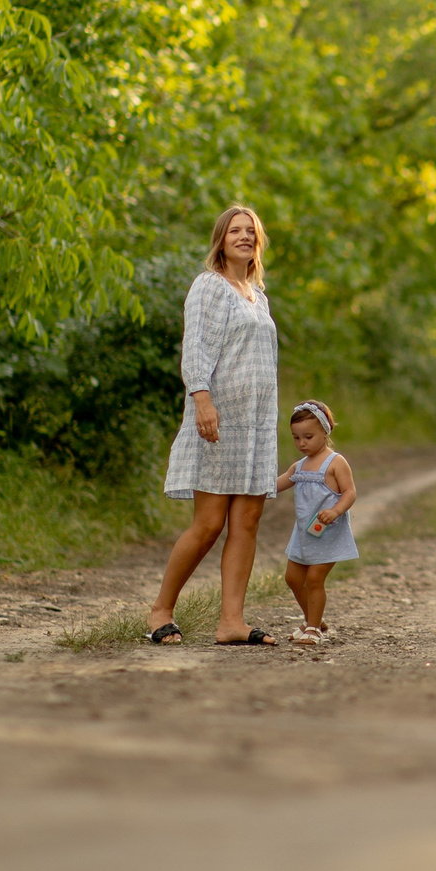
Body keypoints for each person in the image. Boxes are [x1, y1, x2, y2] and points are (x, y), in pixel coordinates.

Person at [147, 205, 280, 647]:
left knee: (248, 521)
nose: (244, 237)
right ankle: (161, 610)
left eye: (251, 231)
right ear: (221, 240)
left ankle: (231, 623)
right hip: (218, 418)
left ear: (258, 241)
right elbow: (196, 348)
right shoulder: (210, 287)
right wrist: (201, 398)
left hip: (256, 424)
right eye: (235, 231)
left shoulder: (256, 295)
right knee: (208, 523)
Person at [273, 398, 357, 644]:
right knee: (292, 577)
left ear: (325, 432)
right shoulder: (299, 466)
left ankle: (313, 628)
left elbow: (350, 492)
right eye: (296, 438)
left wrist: (336, 510)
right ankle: (314, 618)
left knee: (314, 579)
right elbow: (279, 483)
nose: (302, 443)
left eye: (308, 437)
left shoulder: (336, 462)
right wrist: (257, 487)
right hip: (303, 533)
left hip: (327, 532)